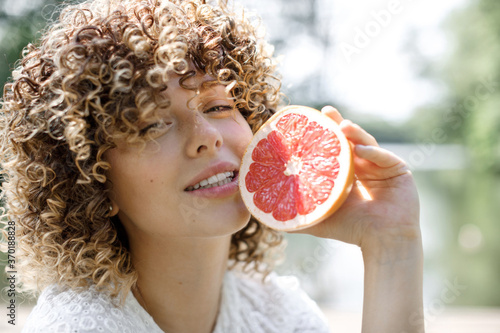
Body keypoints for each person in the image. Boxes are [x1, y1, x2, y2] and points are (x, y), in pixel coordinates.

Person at [0, 0, 424, 332]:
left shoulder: (280, 315)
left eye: (219, 105)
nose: (207, 135)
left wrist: (392, 243)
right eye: (151, 125)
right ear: (89, 178)